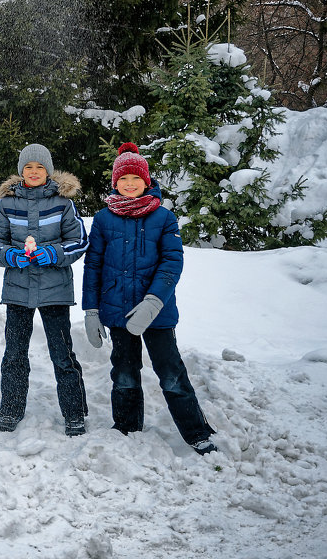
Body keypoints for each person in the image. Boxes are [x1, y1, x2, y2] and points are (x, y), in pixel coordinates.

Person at [82, 143, 218, 454]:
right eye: (123, 179)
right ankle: (127, 427)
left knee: (171, 372)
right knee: (125, 371)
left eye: (135, 179)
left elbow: (172, 262)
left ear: (147, 181)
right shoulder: (104, 218)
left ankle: (196, 431)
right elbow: (94, 265)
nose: (129, 184)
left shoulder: (164, 217)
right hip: (117, 310)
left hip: (157, 313)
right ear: (115, 183)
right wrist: (91, 309)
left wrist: (154, 301)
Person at [0, 143, 89, 436]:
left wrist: (53, 253)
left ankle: (75, 412)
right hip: (18, 290)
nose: (33, 172)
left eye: (39, 167)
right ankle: (11, 409)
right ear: (21, 171)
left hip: (55, 290)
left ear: (48, 171)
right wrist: (11, 256)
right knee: (15, 354)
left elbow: (79, 240)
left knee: (62, 354)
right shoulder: (6, 203)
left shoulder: (63, 202)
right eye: (28, 167)